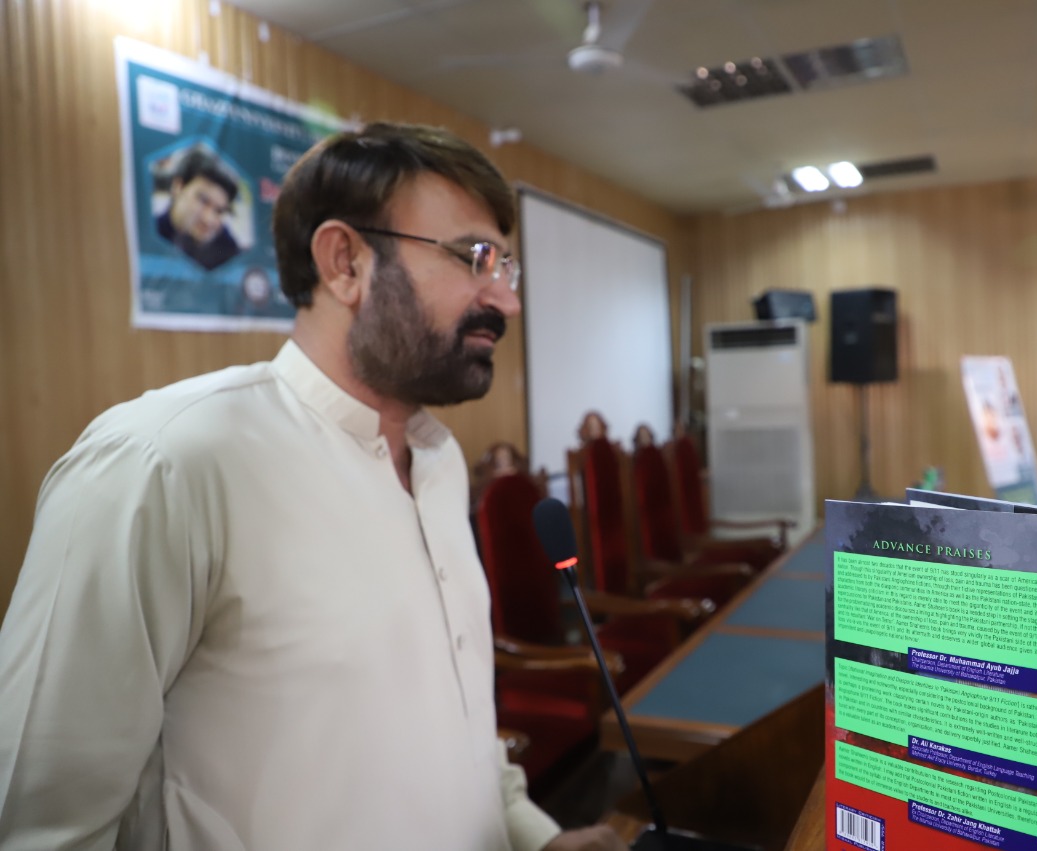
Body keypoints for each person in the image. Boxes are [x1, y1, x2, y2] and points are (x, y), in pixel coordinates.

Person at [0, 123, 624, 851]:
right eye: (475, 257)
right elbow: (42, 825)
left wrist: (532, 834)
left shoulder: (441, 460)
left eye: (505, 267)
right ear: (344, 262)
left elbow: (455, 714)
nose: (506, 301)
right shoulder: (163, 463)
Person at [155, 147, 243, 271]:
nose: (208, 219)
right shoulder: (149, 232)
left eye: (219, 211)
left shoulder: (228, 249)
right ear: (178, 187)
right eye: (203, 201)